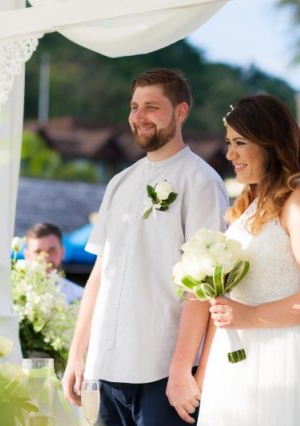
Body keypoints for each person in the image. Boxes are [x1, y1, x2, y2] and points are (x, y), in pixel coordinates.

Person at [61, 68, 229, 425]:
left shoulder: (201, 182)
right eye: (135, 106)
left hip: (163, 372)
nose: (139, 116)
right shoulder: (119, 183)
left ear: (180, 112)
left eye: (151, 107)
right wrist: (77, 355)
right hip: (105, 370)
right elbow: (99, 275)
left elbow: (204, 287)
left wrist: (183, 369)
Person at [197, 95, 300, 425]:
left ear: (269, 144)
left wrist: (250, 316)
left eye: (239, 143)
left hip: (284, 355)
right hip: (236, 359)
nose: (229, 154)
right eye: (228, 143)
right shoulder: (248, 205)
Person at [24, 222, 85, 303]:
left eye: (51, 250)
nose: (45, 258)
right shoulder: (14, 293)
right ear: (27, 256)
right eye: (38, 252)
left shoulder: (81, 296)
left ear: (62, 252)